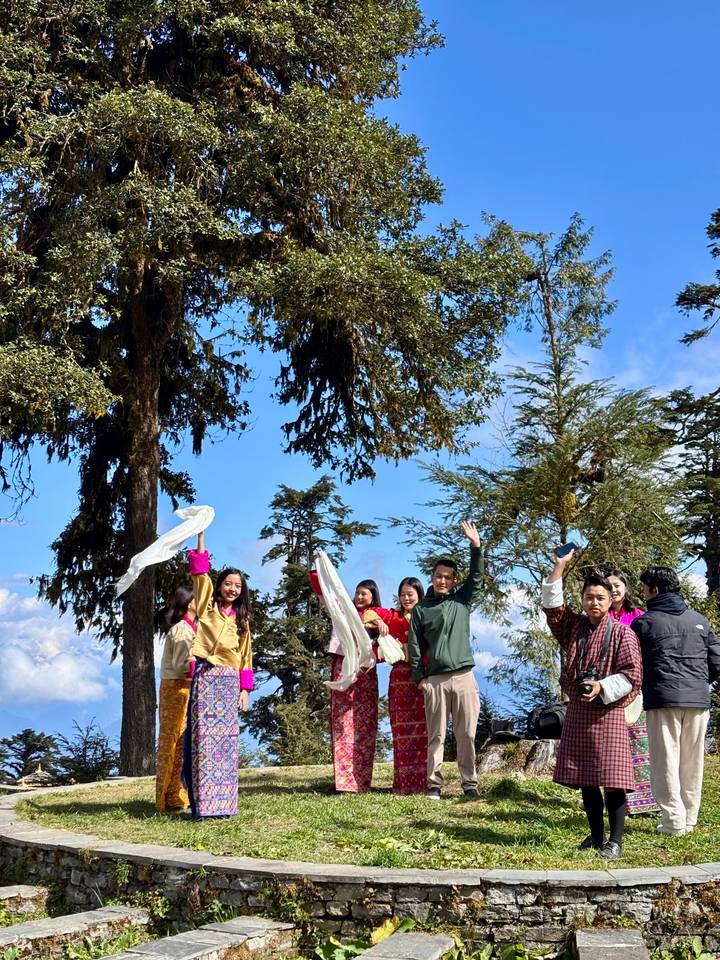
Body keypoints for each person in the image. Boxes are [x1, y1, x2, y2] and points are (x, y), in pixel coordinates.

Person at [543, 548, 642, 860]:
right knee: (587, 779)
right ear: (583, 599)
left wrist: (601, 686)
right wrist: (560, 567)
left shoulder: (623, 633)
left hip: (609, 712)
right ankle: (596, 836)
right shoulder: (573, 627)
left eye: (600, 597)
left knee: (613, 781)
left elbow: (632, 675)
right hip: (579, 710)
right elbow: (553, 607)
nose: (594, 602)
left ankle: (615, 840)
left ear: (611, 599)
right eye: (589, 597)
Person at [632, 566, 720, 835]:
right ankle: (690, 819)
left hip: (662, 699)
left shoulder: (644, 623)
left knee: (665, 761)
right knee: (692, 761)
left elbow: (633, 665)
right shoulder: (700, 621)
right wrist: (699, 682)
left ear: (654, 590)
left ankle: (673, 821)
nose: (643, 593)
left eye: (645, 587)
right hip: (698, 700)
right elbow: (717, 662)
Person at [408, 521, 483, 800]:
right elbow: (413, 646)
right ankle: (434, 785)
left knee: (467, 734)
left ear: (453, 580)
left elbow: (476, 577)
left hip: (464, 676)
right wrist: (421, 678)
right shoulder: (421, 610)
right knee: (436, 735)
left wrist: (475, 546)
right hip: (435, 680)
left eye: (448, 577)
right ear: (432, 577)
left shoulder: (461, 601)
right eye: (438, 575)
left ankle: (469, 785)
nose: (442, 580)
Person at [182, 531, 253, 818]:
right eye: (228, 584)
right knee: (202, 740)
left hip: (229, 682)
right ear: (220, 585)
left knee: (226, 743)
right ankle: (203, 804)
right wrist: (201, 539)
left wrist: (245, 690)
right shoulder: (207, 608)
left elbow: (246, 657)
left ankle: (224, 804)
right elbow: (201, 576)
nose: (232, 589)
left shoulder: (243, 621)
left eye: (238, 586)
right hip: (206, 677)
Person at [328, 579, 391, 793]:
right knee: (342, 723)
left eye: (364, 593)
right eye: (358, 593)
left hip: (366, 673)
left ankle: (361, 781)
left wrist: (378, 625)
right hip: (344, 667)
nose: (360, 597)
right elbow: (326, 596)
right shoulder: (345, 613)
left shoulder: (379, 617)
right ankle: (344, 782)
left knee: (364, 726)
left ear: (373, 596)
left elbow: (385, 646)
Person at [607, 569, 658, 816]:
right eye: (609, 586)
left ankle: (643, 802)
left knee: (638, 743)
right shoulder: (598, 616)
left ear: (625, 588)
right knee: (611, 747)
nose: (614, 590)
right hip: (606, 689)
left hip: (635, 689)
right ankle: (611, 800)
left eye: (617, 585)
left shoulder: (638, 616)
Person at [383, 577, 428, 794]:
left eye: (410, 594)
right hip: (399, 677)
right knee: (401, 732)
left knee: (424, 730)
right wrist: (379, 624)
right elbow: (370, 614)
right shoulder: (393, 616)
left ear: (419, 595)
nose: (406, 598)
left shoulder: (427, 616)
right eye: (403, 594)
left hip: (422, 678)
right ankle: (403, 782)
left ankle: (423, 781)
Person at [156, 586, 196, 813]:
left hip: (184, 688)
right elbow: (183, 665)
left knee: (183, 741)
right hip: (177, 689)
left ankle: (179, 793)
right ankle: (170, 796)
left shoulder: (191, 628)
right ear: (189, 602)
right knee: (175, 741)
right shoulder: (182, 630)